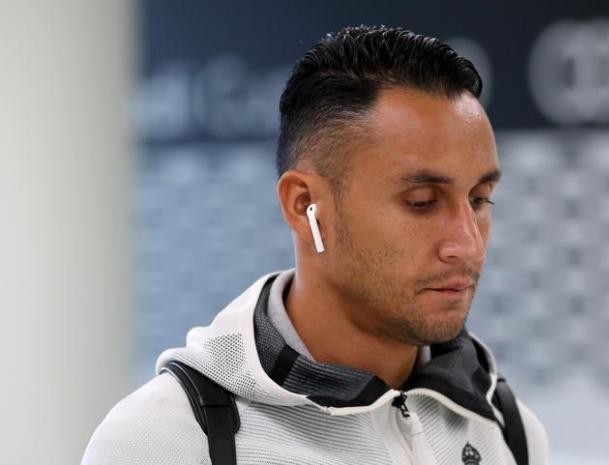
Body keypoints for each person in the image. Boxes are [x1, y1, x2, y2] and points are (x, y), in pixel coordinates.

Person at [81, 25, 549, 465]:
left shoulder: (508, 430)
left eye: (480, 199)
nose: (467, 244)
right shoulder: (165, 442)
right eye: (422, 202)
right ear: (305, 204)